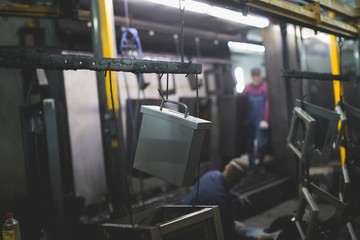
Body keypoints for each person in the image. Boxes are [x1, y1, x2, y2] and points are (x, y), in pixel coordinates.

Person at [183, 158, 273, 240]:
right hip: (197, 234)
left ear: (226, 167)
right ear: (241, 180)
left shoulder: (211, 174)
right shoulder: (224, 203)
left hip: (184, 223)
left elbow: (222, 187)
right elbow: (229, 236)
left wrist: (235, 196)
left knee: (239, 226)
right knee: (240, 227)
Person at [242, 67, 269, 170]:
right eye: (255, 76)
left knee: (261, 144)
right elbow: (242, 103)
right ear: (252, 77)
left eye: (259, 76)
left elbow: (267, 104)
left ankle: (261, 164)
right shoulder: (247, 88)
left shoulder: (264, 87)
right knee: (249, 144)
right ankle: (252, 166)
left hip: (260, 121)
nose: (257, 79)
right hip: (250, 121)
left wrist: (265, 120)